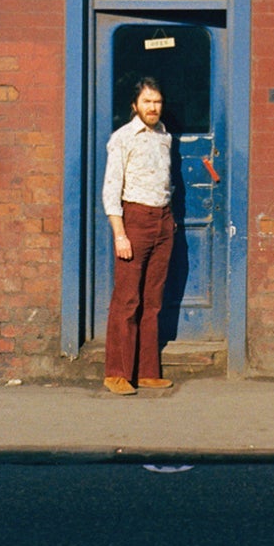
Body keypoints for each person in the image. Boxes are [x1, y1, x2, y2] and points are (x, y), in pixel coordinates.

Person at [100, 73, 178, 396]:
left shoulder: (164, 137)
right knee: (127, 299)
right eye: (147, 101)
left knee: (153, 301)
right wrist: (120, 234)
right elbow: (110, 189)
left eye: (157, 101)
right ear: (135, 105)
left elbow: (166, 179)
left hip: (163, 221)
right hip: (134, 219)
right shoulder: (122, 138)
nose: (153, 107)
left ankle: (147, 372)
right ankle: (117, 373)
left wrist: (168, 219)